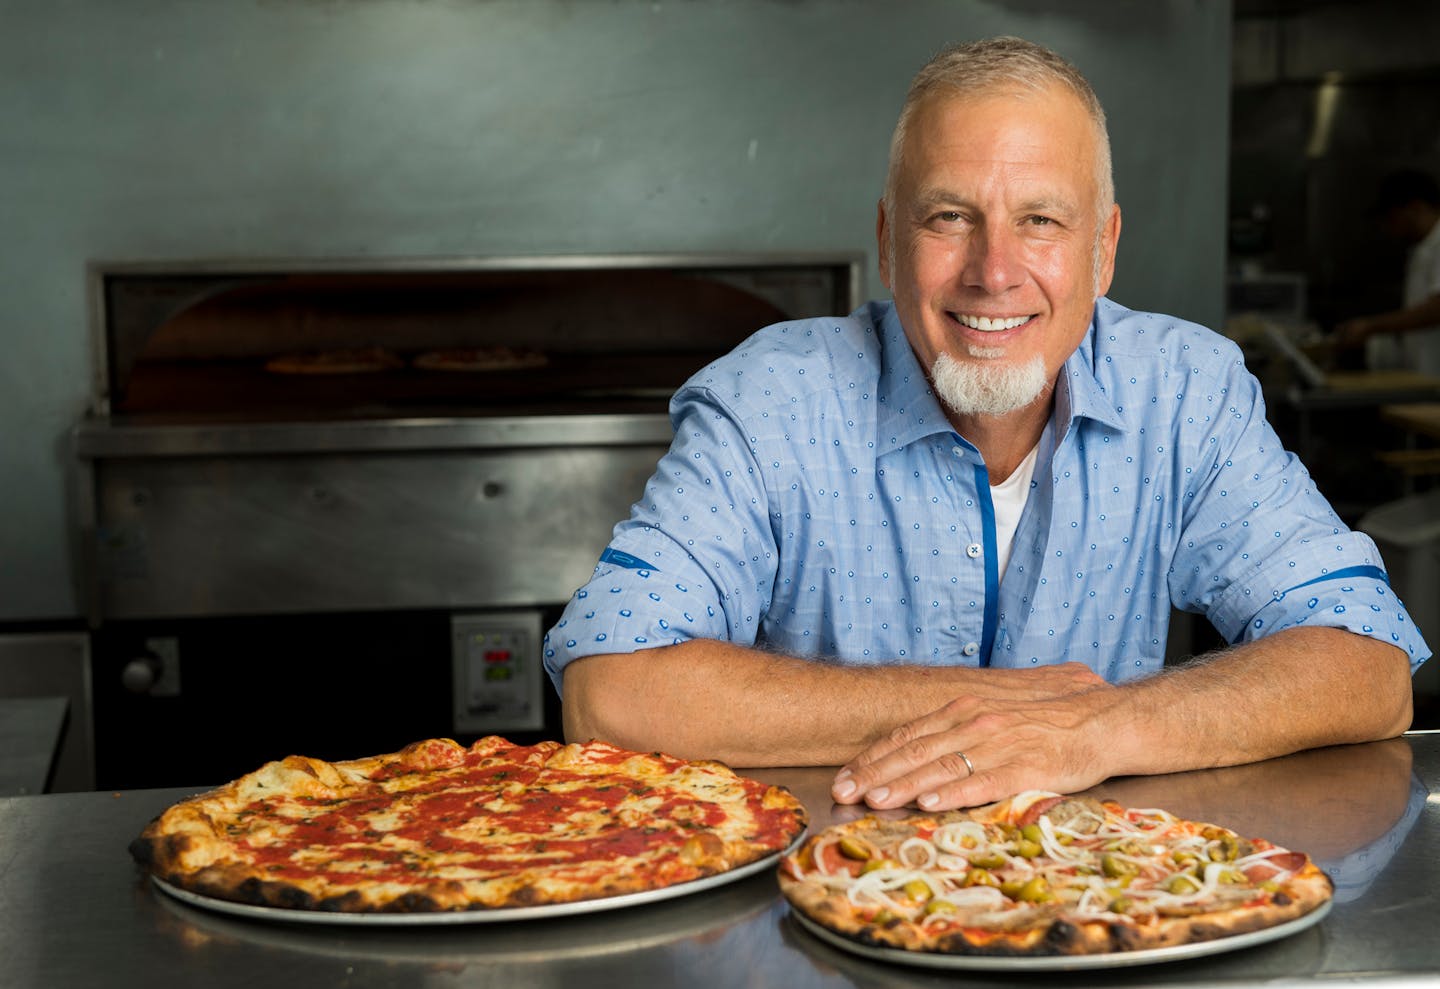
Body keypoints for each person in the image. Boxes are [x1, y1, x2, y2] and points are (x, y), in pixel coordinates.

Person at [543, 37, 1430, 814]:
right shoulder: (770, 400)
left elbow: (1367, 661)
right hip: (813, 925)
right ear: (889, 240)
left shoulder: (1185, 392)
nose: (993, 271)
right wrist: (988, 705)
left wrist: (1099, 727)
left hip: (1100, 916)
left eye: (1040, 220)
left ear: (1104, 249)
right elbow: (610, 689)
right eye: (949, 218)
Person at [1335, 169, 1440, 374]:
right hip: (1424, 377)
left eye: (1391, 218)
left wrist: (1370, 326)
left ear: (1415, 208)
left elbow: (1436, 309)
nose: (1387, 228)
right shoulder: (1422, 249)